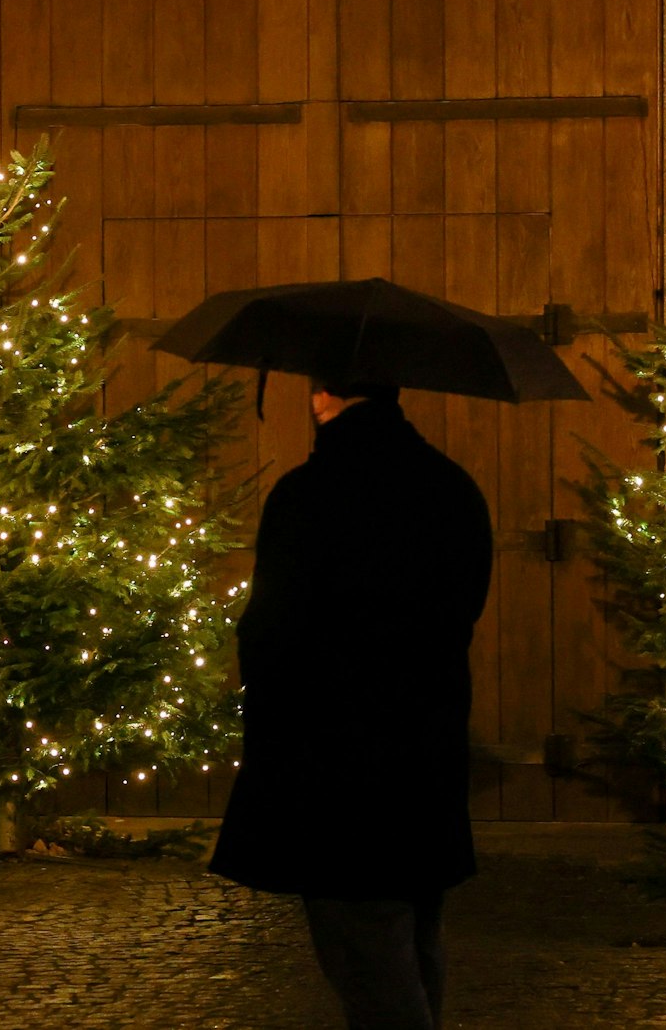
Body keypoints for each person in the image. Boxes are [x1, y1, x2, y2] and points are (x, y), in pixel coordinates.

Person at [209, 378, 495, 1030]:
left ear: (323, 397)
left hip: (332, 753)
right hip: (426, 739)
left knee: (364, 953)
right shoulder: (453, 487)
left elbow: (273, 627)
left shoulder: (307, 494)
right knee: (416, 937)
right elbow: (465, 605)